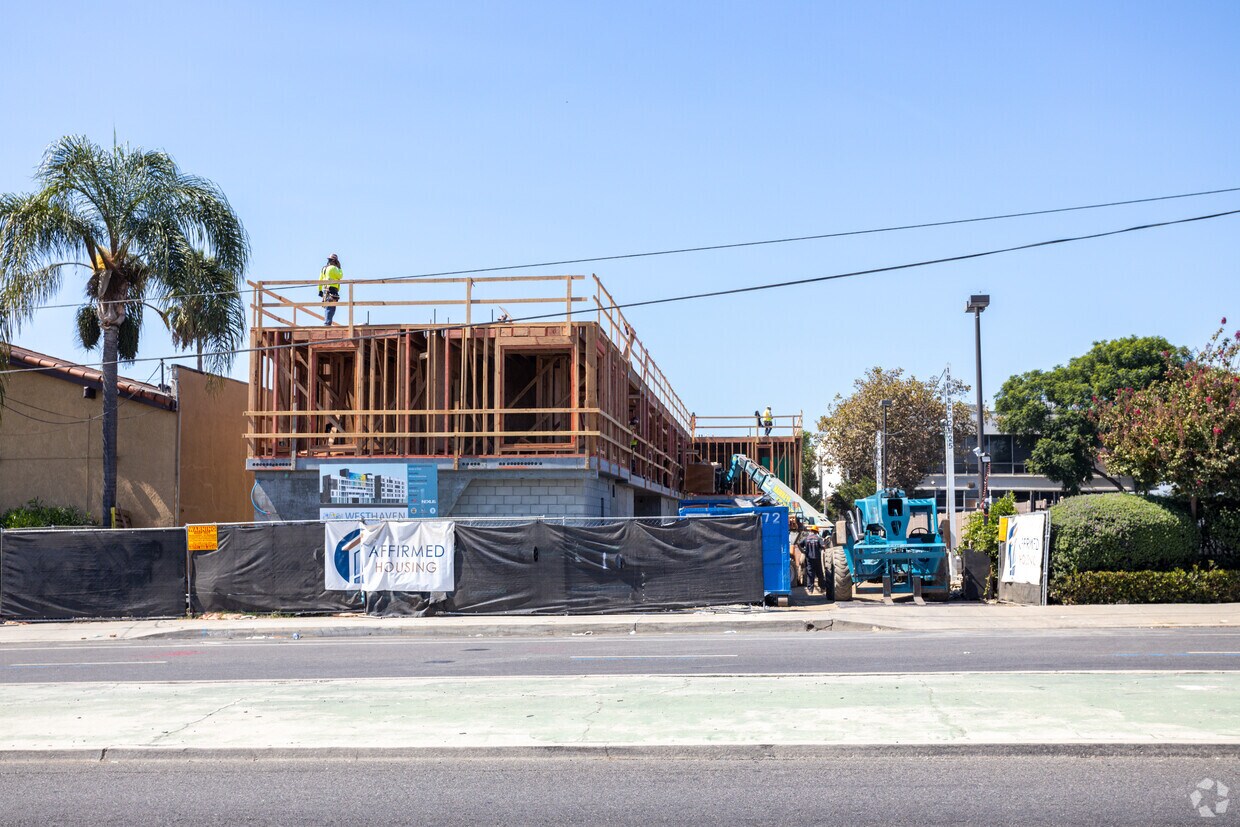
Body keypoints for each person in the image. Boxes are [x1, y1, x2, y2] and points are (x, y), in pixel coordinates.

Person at [318, 254, 343, 326]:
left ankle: (327, 323)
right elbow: (340, 276)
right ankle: (327, 324)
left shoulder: (324, 269)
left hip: (325, 290)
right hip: (332, 290)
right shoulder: (334, 268)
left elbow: (320, 280)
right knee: (331, 308)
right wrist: (340, 268)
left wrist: (320, 290)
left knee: (328, 306)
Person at [799, 528, 825, 593]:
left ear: (811, 531)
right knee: (820, 574)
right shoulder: (818, 538)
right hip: (817, 559)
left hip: (809, 559)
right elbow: (823, 546)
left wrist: (803, 551)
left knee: (810, 574)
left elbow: (799, 544)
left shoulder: (806, 538)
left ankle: (810, 590)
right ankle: (822, 588)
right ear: (816, 532)